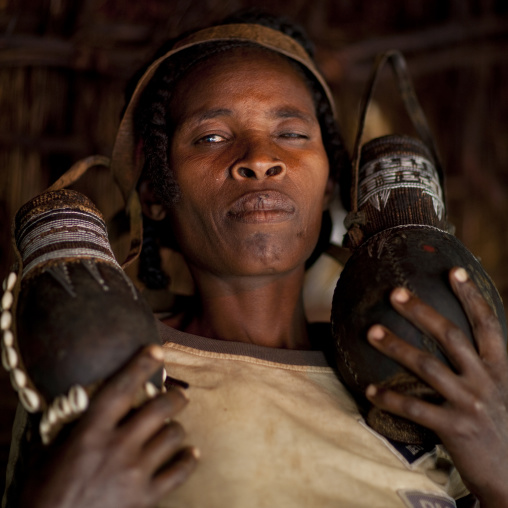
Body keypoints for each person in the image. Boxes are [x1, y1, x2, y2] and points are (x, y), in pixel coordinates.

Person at [4, 10, 508, 508]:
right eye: (212, 138)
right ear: (155, 189)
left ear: (330, 179)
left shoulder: (432, 373)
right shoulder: (107, 375)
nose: (260, 159)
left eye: (291, 134)